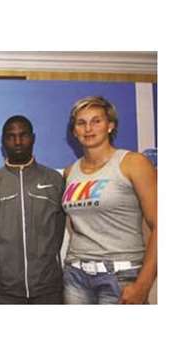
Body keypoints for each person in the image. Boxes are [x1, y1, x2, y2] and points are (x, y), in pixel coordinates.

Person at [62, 96, 157, 304]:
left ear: (110, 125)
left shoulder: (133, 163)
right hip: (75, 275)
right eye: (81, 123)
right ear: (74, 131)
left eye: (96, 121)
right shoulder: (70, 171)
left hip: (121, 276)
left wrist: (143, 284)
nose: (88, 128)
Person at [0, 115, 66, 304]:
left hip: (47, 287)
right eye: (11, 136)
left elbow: (58, 231)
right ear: (3, 141)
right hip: (3, 289)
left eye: (23, 135)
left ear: (33, 138)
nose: (17, 141)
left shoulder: (53, 180)